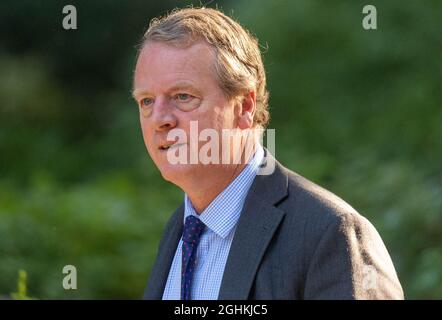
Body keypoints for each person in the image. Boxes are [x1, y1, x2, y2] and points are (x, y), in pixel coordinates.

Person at [132, 7, 404, 300]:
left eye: (183, 96)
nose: (160, 119)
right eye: (146, 101)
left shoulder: (331, 234)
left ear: (245, 106)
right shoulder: (179, 231)